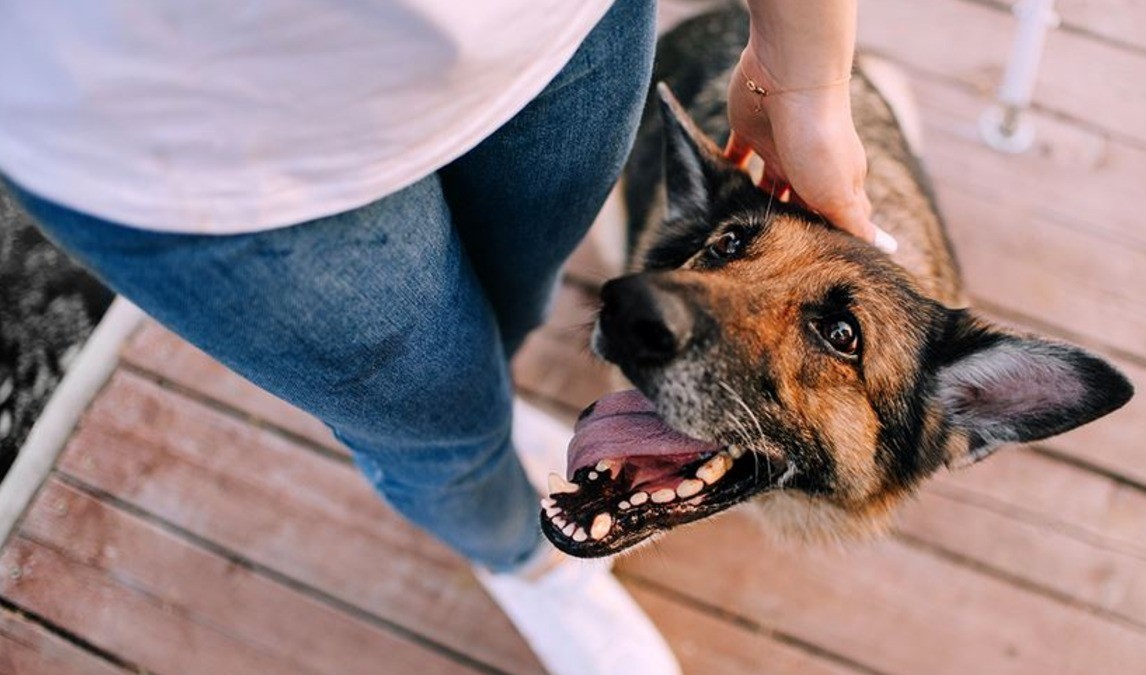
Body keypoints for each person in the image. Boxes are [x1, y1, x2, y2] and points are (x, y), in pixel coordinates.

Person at [0, 1, 886, 672]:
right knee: (439, 431)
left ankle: (494, 397)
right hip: (201, 137)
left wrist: (804, 75)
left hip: (558, 35)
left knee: (512, 306)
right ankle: (529, 564)